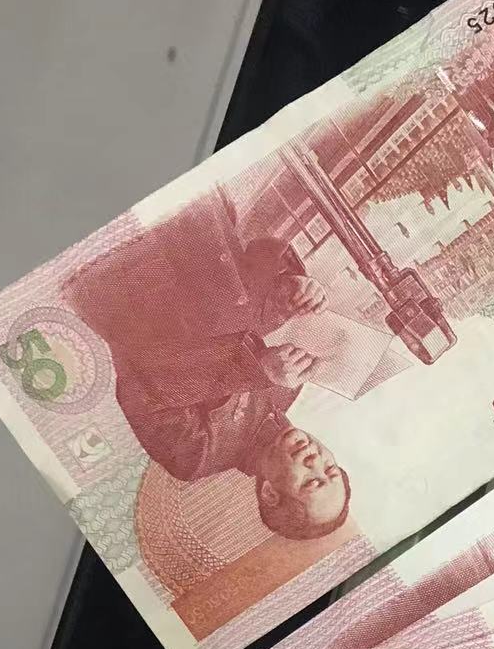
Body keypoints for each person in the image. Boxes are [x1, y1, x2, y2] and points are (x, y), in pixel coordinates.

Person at [62, 190, 351, 539]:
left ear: (270, 493)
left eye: (311, 481)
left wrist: (255, 370)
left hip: (112, 265)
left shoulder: (197, 457)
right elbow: (253, 257)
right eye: (330, 469)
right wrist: (290, 292)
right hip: (192, 212)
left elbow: (140, 380)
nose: (315, 460)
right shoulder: (287, 389)